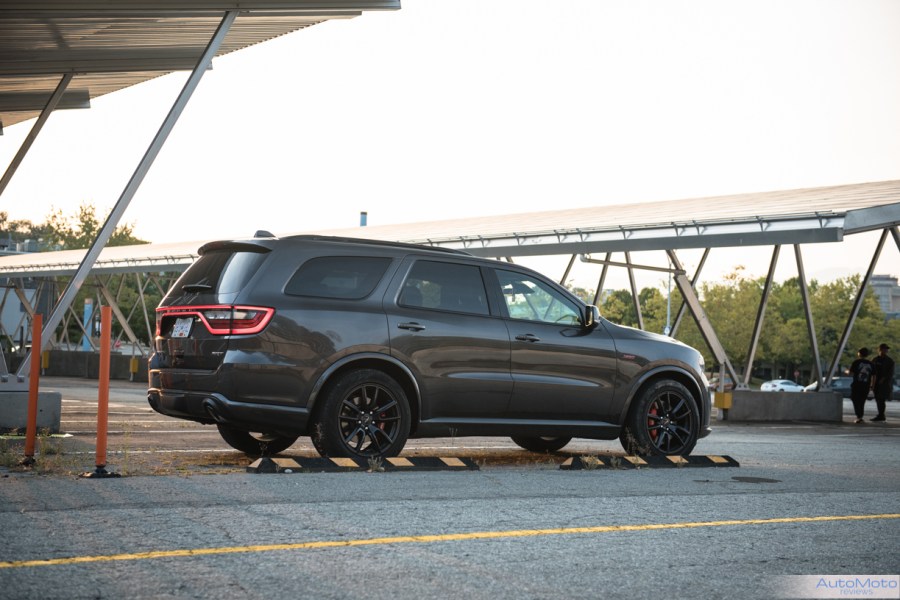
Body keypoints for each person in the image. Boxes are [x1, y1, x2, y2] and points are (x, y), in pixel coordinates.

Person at [848, 347, 874, 423]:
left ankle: (859, 416)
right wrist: (872, 385)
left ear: (859, 353)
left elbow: (851, 372)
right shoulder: (871, 364)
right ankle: (860, 416)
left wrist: (847, 371)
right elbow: (874, 375)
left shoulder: (856, 362)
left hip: (856, 385)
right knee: (862, 401)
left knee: (855, 399)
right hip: (866, 385)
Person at [871, 343, 894, 422]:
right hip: (875, 382)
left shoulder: (889, 361)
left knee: (881, 399)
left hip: (884, 384)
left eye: (887, 349)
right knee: (878, 399)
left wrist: (883, 379)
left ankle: (881, 415)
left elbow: (890, 373)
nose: (886, 350)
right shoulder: (875, 360)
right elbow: (871, 370)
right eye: (884, 349)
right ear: (880, 350)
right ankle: (880, 414)